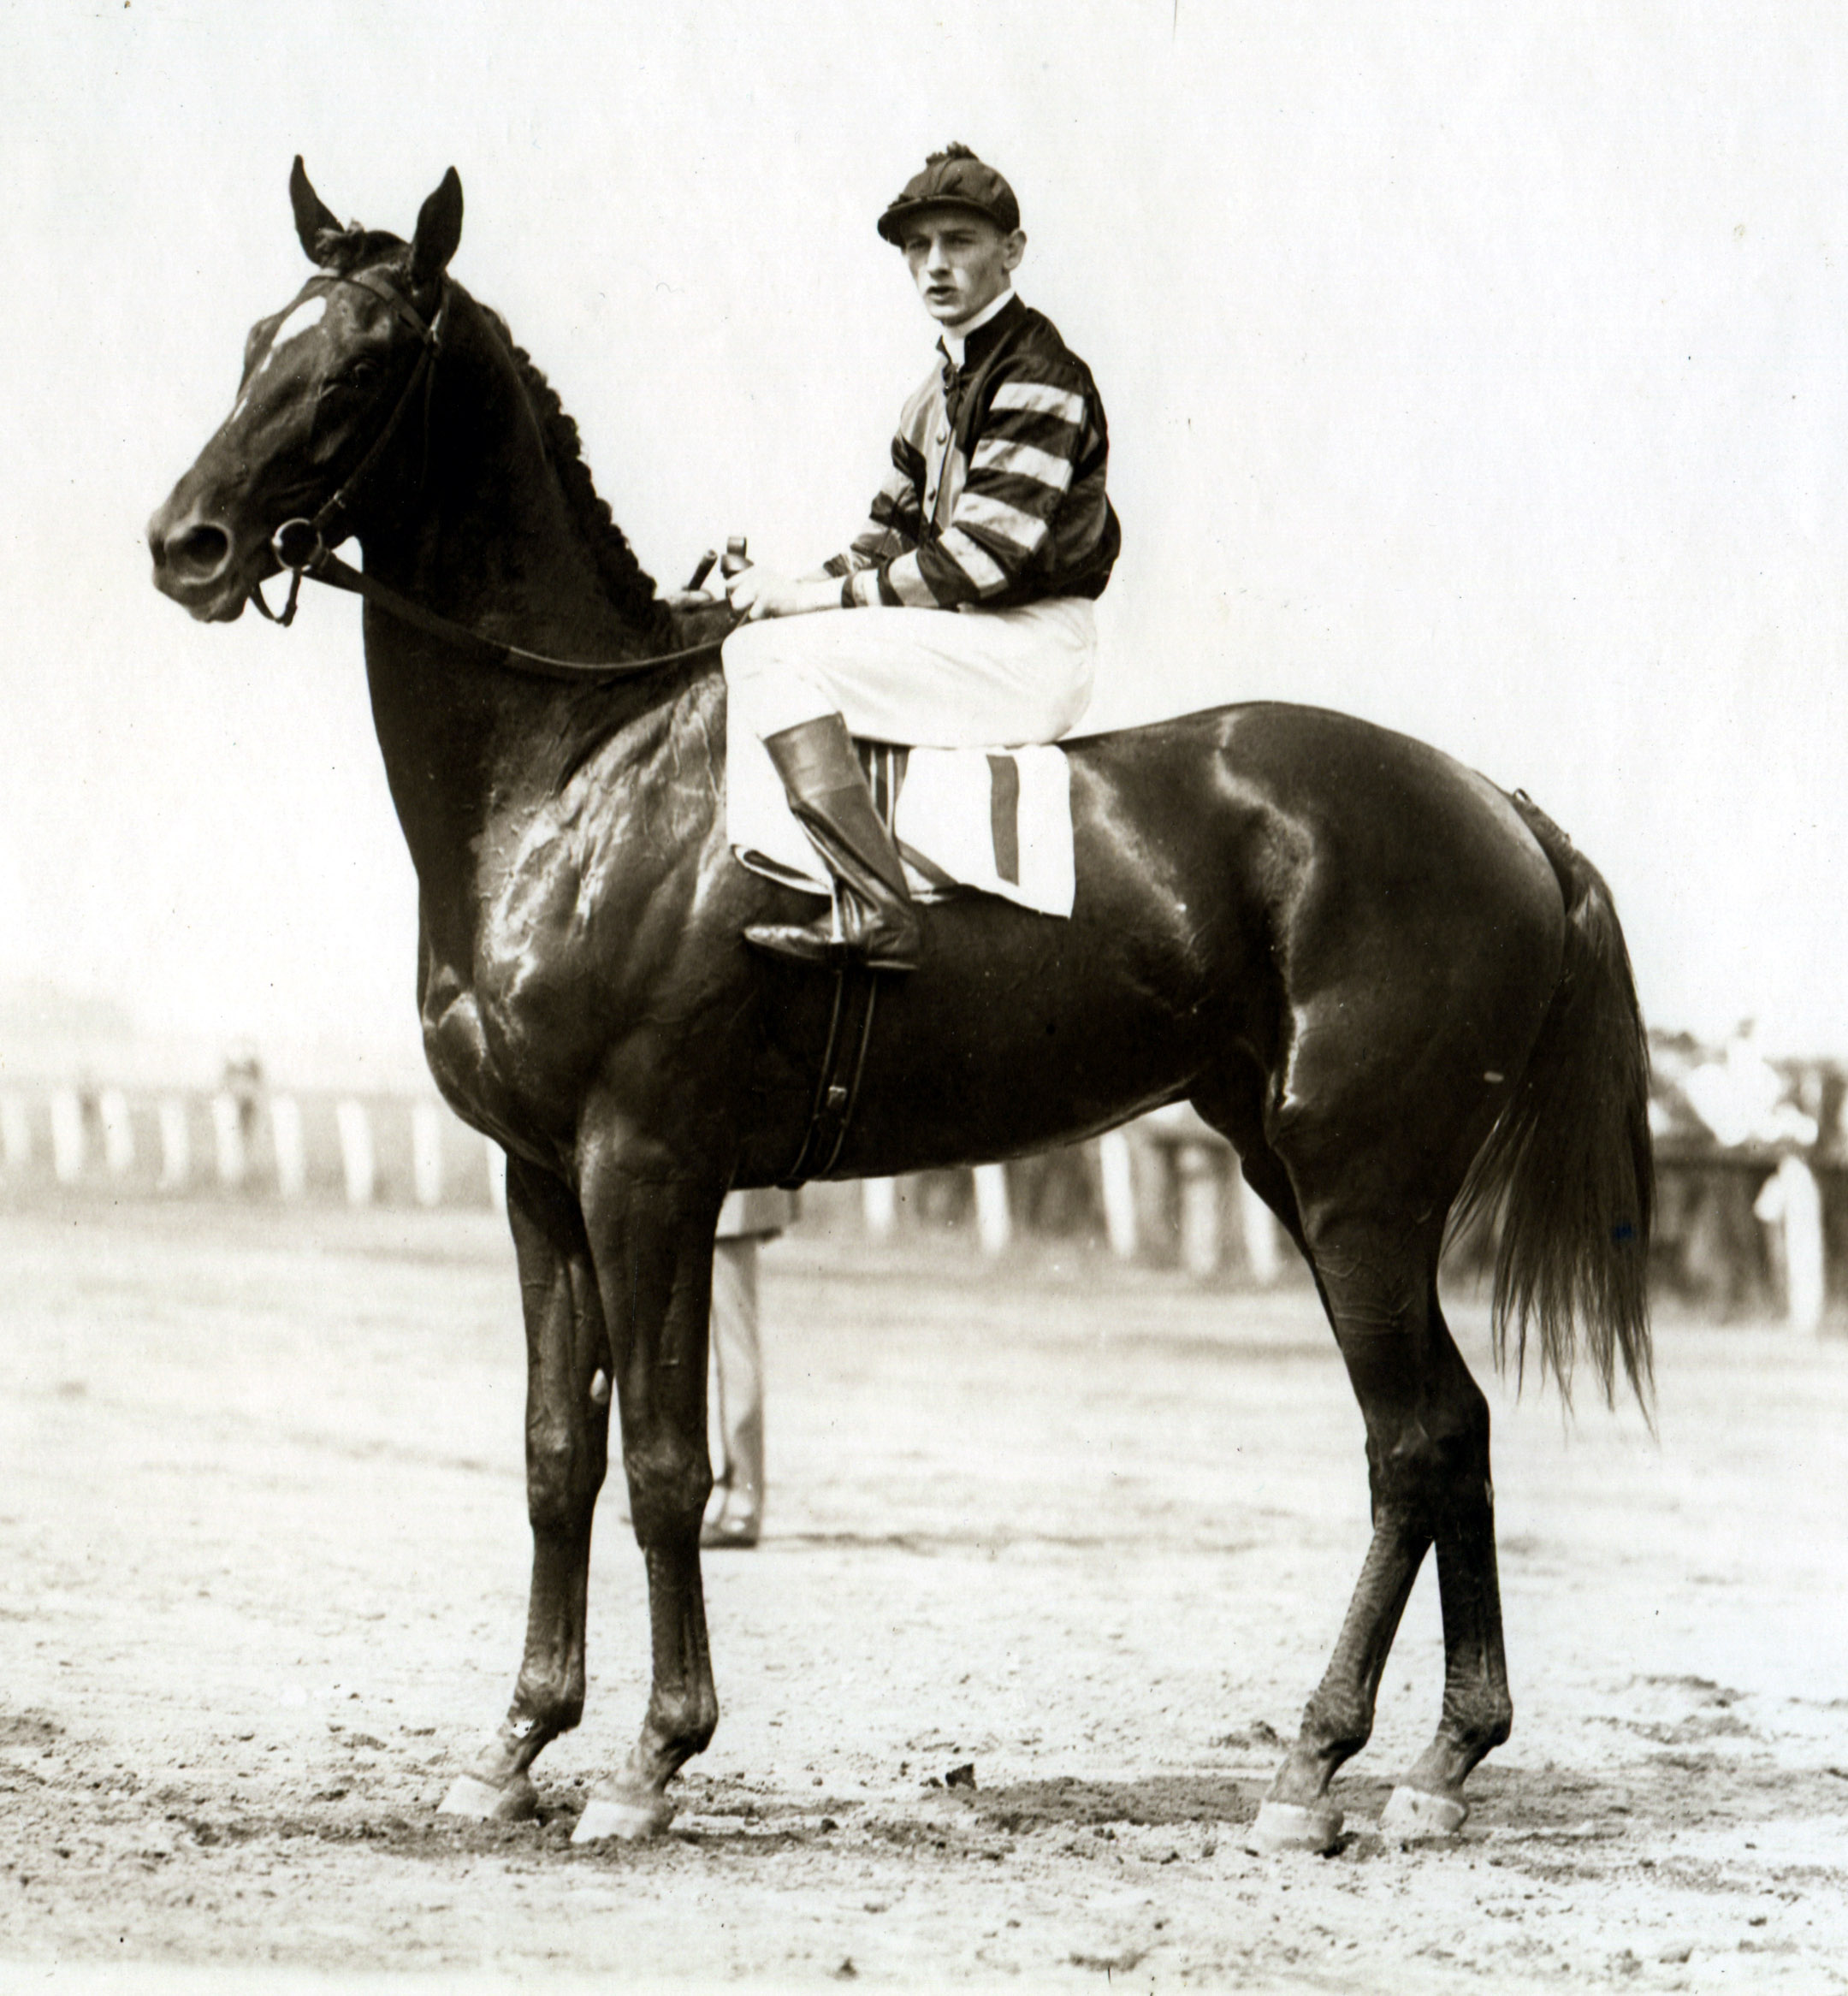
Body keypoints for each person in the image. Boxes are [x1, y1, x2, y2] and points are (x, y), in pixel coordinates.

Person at [723, 143, 1121, 972]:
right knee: (755, 634)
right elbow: (885, 542)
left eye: (959, 241)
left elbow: (975, 562)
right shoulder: (926, 398)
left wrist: (799, 609)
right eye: (917, 246)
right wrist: (777, 588)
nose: (934, 265)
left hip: (1029, 644)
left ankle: (878, 908)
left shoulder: (1039, 374)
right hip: (974, 637)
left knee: (768, 660)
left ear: (1012, 251)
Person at [702, 1187, 797, 1549]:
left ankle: (744, 1500)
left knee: (735, 1340)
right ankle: (729, 1490)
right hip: (709, 1188)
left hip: (729, 1190)